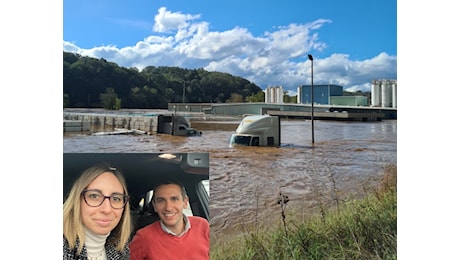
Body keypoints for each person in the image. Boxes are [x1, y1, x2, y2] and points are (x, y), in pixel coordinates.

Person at [63, 163, 131, 260]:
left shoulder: (122, 250)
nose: (107, 209)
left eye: (116, 199)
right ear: (77, 200)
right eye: (94, 196)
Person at [130, 179, 209, 260]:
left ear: (185, 202)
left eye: (174, 199)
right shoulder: (143, 237)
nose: (168, 207)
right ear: (155, 206)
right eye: (161, 201)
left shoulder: (203, 225)